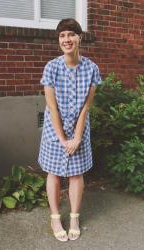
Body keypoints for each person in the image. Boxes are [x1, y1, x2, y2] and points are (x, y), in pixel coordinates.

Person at [38, 18, 101, 242]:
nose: (67, 39)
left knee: (76, 173)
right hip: (54, 130)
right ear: (59, 40)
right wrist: (63, 139)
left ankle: (74, 217)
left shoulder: (92, 68)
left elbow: (86, 107)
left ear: (79, 37)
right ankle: (55, 217)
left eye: (71, 34)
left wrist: (76, 137)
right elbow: (52, 107)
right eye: (62, 35)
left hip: (79, 129)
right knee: (53, 172)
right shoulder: (51, 67)